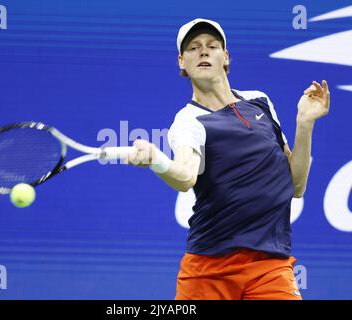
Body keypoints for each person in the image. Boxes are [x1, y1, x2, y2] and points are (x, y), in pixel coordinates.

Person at [127, 18, 330, 300]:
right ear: (181, 62)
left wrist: (304, 123)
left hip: (270, 265)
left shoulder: (260, 102)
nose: (203, 52)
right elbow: (186, 176)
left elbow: (296, 185)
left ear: (226, 57)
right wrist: (156, 160)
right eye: (194, 48)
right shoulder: (188, 121)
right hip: (209, 270)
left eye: (212, 46)